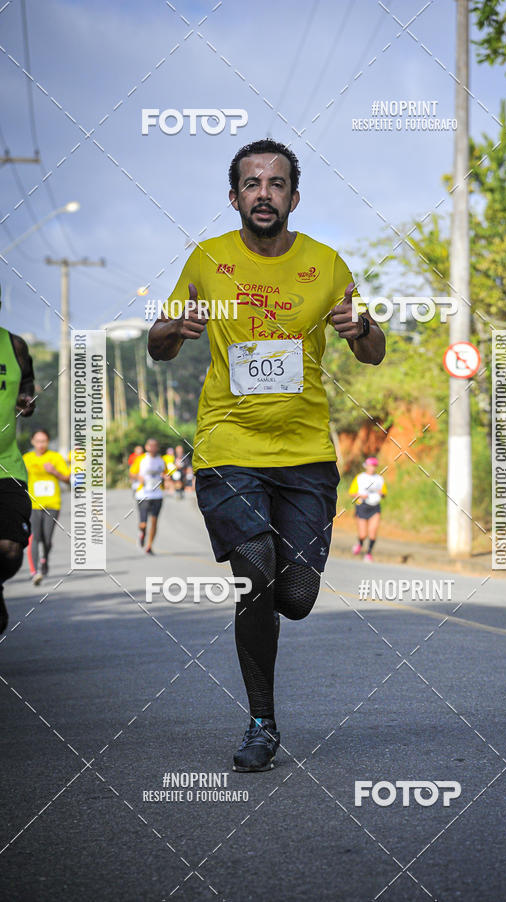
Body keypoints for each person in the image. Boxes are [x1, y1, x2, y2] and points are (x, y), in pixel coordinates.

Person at [148, 138, 385, 772]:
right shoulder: (208, 259)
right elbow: (158, 345)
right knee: (255, 570)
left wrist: (362, 330)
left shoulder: (328, 264)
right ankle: (261, 721)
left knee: (297, 596)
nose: (263, 193)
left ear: (293, 197)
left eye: (276, 183)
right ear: (234, 197)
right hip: (229, 442)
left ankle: (277, 600)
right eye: (251, 183)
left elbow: (374, 349)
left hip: (306, 450)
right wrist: (173, 328)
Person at [0, 316, 36, 633]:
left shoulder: (14, 346)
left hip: (6, 464)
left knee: (10, 548)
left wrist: (26, 400)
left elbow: (28, 390)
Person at [22, 429, 70, 585]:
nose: (41, 444)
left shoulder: (55, 457)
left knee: (47, 540)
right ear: (32, 442)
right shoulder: (26, 459)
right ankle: (34, 572)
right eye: (38, 441)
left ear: (48, 442)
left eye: (44, 441)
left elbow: (67, 479)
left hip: (52, 504)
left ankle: (45, 560)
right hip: (33, 504)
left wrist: (54, 471)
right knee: (34, 537)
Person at [129, 438, 166, 554]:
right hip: (143, 494)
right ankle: (142, 533)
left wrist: (167, 478)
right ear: (147, 447)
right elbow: (131, 473)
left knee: (154, 521)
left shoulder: (161, 460)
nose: (153, 448)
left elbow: (165, 474)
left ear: (157, 447)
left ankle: (149, 546)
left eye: (155, 446)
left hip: (157, 495)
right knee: (143, 524)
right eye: (151, 446)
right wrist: (138, 477)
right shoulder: (141, 459)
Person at [350, 457, 387, 562]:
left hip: (375, 507)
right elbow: (352, 492)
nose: (372, 468)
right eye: (370, 465)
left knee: (373, 532)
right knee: (363, 534)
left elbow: (384, 493)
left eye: (374, 466)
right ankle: (360, 544)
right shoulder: (360, 477)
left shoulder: (379, 479)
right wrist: (360, 495)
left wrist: (381, 493)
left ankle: (369, 553)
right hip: (362, 506)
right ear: (366, 466)